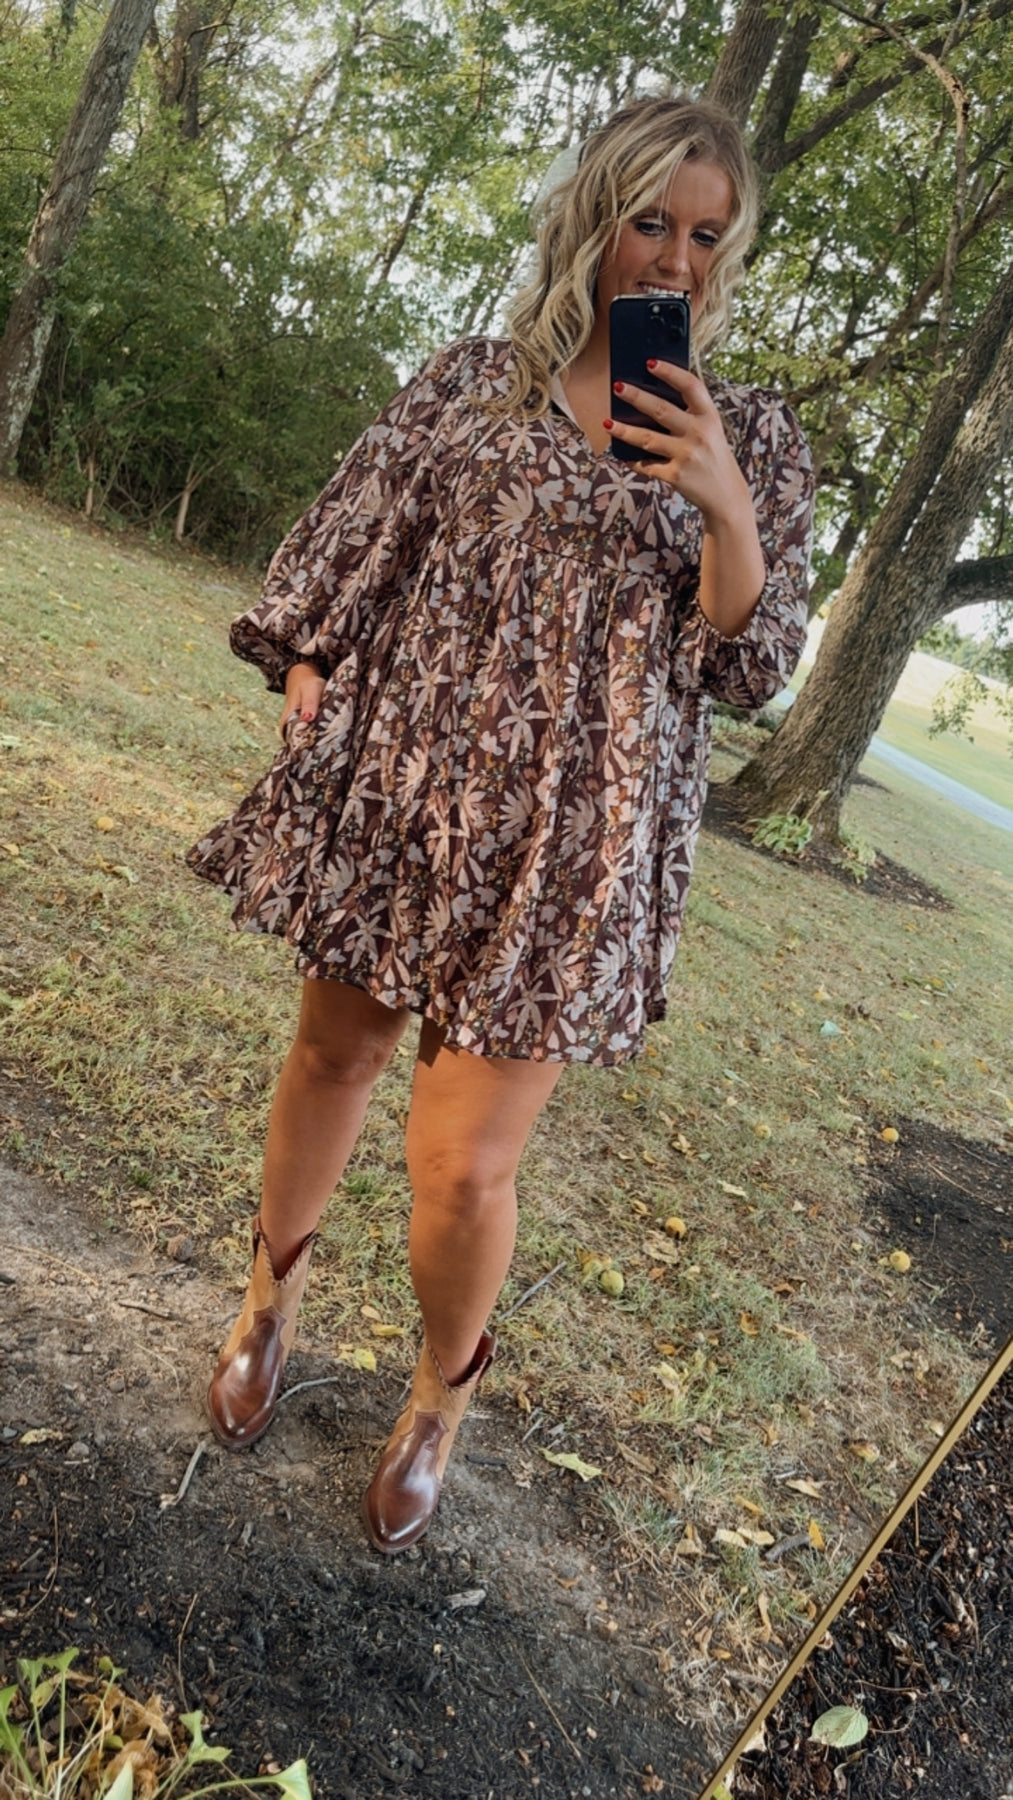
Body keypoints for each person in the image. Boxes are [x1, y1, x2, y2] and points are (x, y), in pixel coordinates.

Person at [186, 92, 814, 1556]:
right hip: (407, 783)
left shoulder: (757, 439)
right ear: (593, 218)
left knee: (464, 1165)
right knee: (332, 1055)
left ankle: (437, 1400)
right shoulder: (474, 381)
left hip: (573, 846)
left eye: (707, 234)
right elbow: (360, 538)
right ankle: (267, 1308)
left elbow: (750, 661)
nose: (675, 260)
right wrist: (310, 658)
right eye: (650, 221)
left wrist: (724, 502)